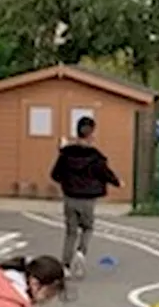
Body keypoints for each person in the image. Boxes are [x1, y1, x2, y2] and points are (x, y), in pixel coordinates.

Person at [50, 116, 120, 279]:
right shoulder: (96, 157)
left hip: (70, 197)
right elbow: (105, 173)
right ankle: (81, 252)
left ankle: (66, 266)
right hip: (88, 199)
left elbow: (55, 174)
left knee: (70, 232)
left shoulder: (65, 154)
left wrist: (66, 182)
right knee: (87, 228)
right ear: (92, 134)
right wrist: (117, 182)